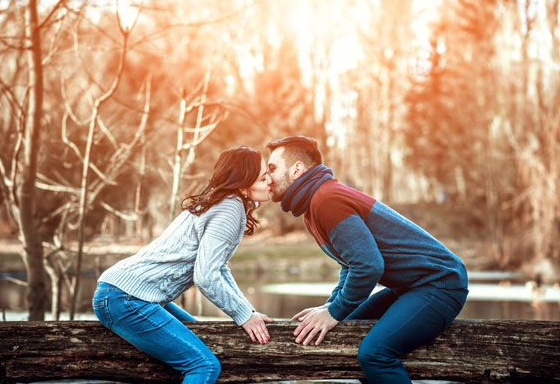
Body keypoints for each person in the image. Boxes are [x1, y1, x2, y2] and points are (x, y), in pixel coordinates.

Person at [266, 136, 468, 384]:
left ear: (297, 170)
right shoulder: (314, 206)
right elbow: (351, 263)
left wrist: (334, 312)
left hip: (440, 284)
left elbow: (369, 266)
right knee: (346, 330)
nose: (267, 177)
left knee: (375, 354)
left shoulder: (327, 201)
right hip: (411, 287)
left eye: (272, 168)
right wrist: (331, 307)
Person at [92, 146, 274, 384]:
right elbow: (206, 276)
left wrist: (247, 311)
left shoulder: (226, 204)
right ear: (242, 186)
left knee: (202, 341)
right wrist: (243, 315)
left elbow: (219, 268)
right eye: (263, 177)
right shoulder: (229, 208)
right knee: (204, 366)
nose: (270, 180)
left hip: (123, 294)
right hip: (125, 298)